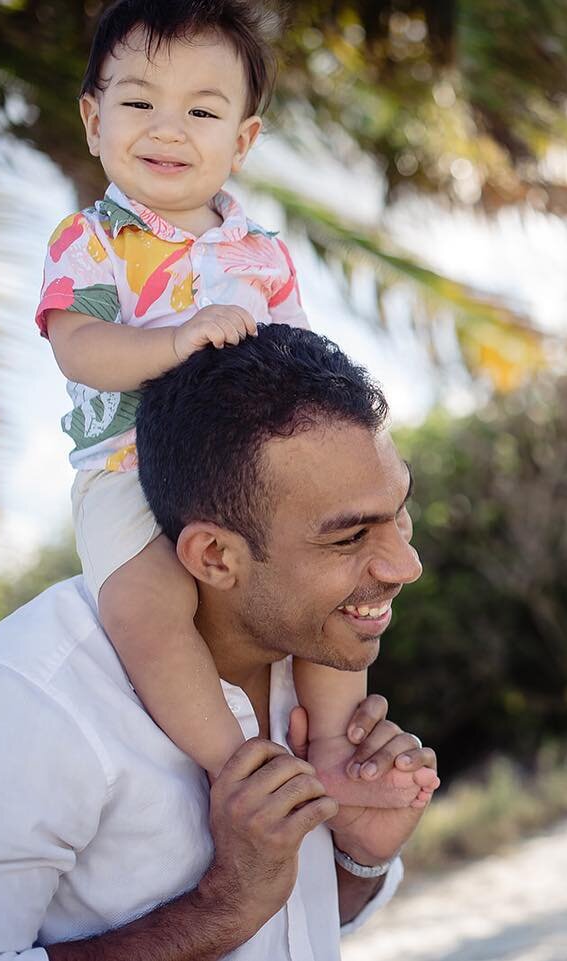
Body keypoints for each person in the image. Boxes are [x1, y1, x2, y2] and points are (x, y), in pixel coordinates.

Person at [0, 326, 438, 959]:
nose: (405, 566)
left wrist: (358, 857)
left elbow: (294, 929)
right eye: (349, 537)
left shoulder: (306, 649)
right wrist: (220, 907)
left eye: (398, 514)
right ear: (216, 556)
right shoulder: (24, 700)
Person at [34, 0, 400, 803]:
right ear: (94, 120)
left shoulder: (262, 254)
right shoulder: (90, 240)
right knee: (144, 604)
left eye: (201, 111)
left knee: (328, 578)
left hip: (251, 473)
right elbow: (79, 347)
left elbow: (302, 368)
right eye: (138, 103)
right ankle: (236, 766)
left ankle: (334, 741)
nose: (168, 129)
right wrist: (174, 341)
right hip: (127, 468)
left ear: (241, 140)